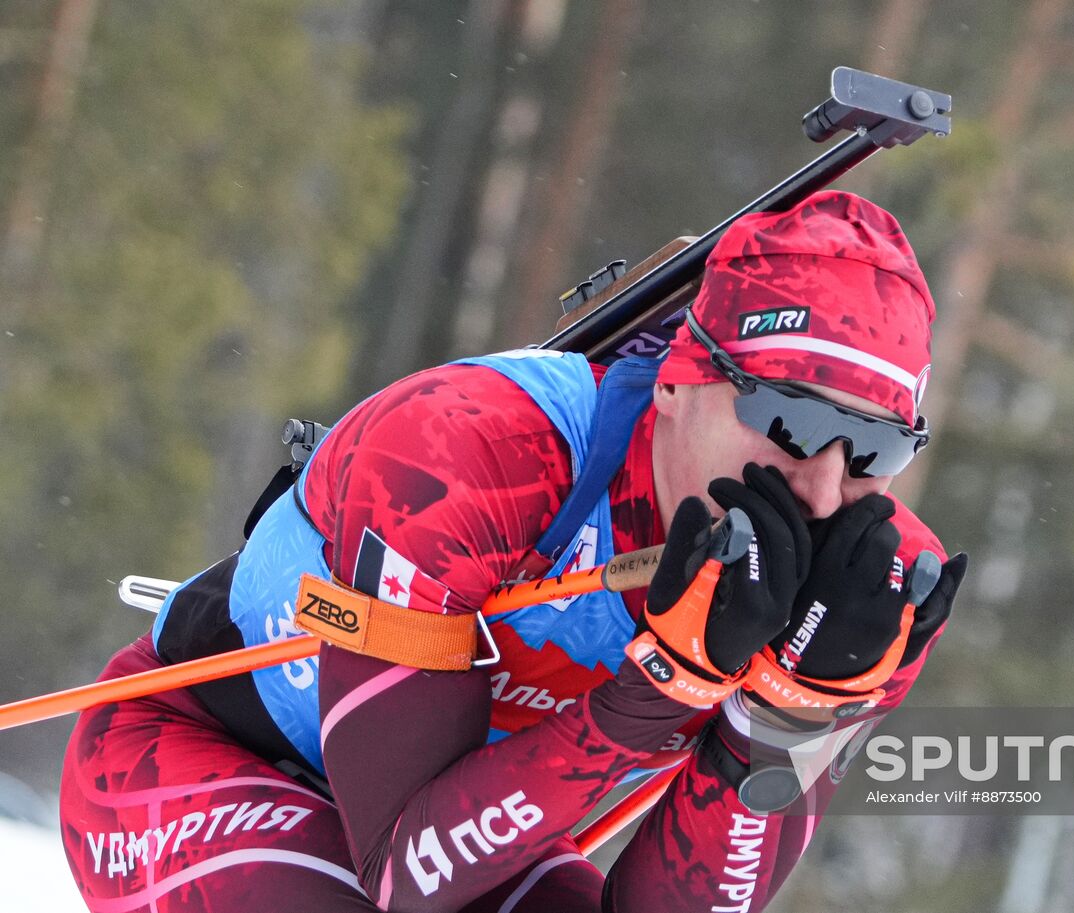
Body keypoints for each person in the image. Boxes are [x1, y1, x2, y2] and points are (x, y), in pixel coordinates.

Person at [58, 190, 967, 912]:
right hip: (205, 759)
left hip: (474, 832)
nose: (817, 490)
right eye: (789, 422)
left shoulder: (876, 586)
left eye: (874, 450)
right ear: (686, 379)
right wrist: (667, 688)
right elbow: (408, 879)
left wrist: (788, 716)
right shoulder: (470, 453)